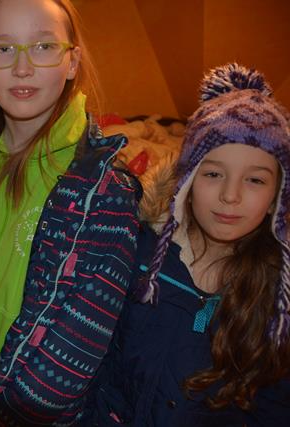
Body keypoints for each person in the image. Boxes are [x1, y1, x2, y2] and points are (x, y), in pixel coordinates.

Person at [0, 0, 141, 424]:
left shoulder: (103, 194)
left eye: (43, 47)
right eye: (3, 49)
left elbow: (59, 372)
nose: (21, 68)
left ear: (72, 62)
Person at [87, 63, 290, 426]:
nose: (230, 195)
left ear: (277, 196)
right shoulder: (139, 254)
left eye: (255, 180)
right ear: (187, 182)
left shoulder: (279, 295)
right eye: (213, 174)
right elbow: (95, 359)